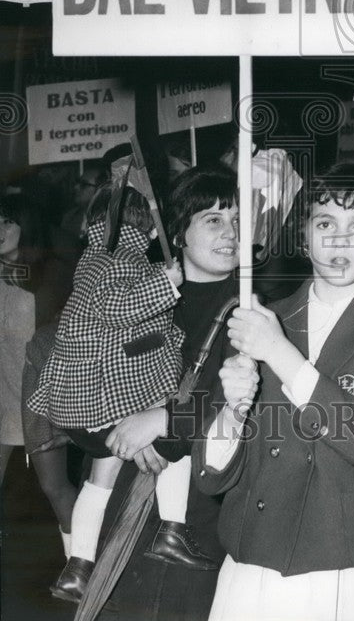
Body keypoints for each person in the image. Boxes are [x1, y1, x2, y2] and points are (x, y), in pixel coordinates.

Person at [194, 165, 354, 621]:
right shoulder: (262, 319)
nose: (340, 241)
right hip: (259, 560)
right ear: (303, 237)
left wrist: (279, 353)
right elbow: (212, 477)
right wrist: (231, 413)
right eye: (325, 224)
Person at [28, 182, 214, 602]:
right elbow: (117, 308)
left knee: (101, 480)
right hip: (108, 399)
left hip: (81, 410)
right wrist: (166, 283)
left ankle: (77, 568)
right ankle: (172, 529)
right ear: (152, 232)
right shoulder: (124, 262)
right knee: (174, 443)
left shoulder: (91, 259)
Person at [97, 165, 241, 621]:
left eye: (238, 220)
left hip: (204, 500)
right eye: (214, 220)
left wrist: (162, 421)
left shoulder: (250, 303)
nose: (231, 232)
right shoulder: (136, 294)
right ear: (177, 233)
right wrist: (121, 425)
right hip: (126, 489)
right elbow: (85, 371)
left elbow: (254, 404)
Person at [1, 191, 72, 486]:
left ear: (26, 225)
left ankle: (78, 535)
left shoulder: (51, 274)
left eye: (7, 222)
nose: (0, 230)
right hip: (4, 398)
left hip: (40, 401)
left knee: (55, 490)